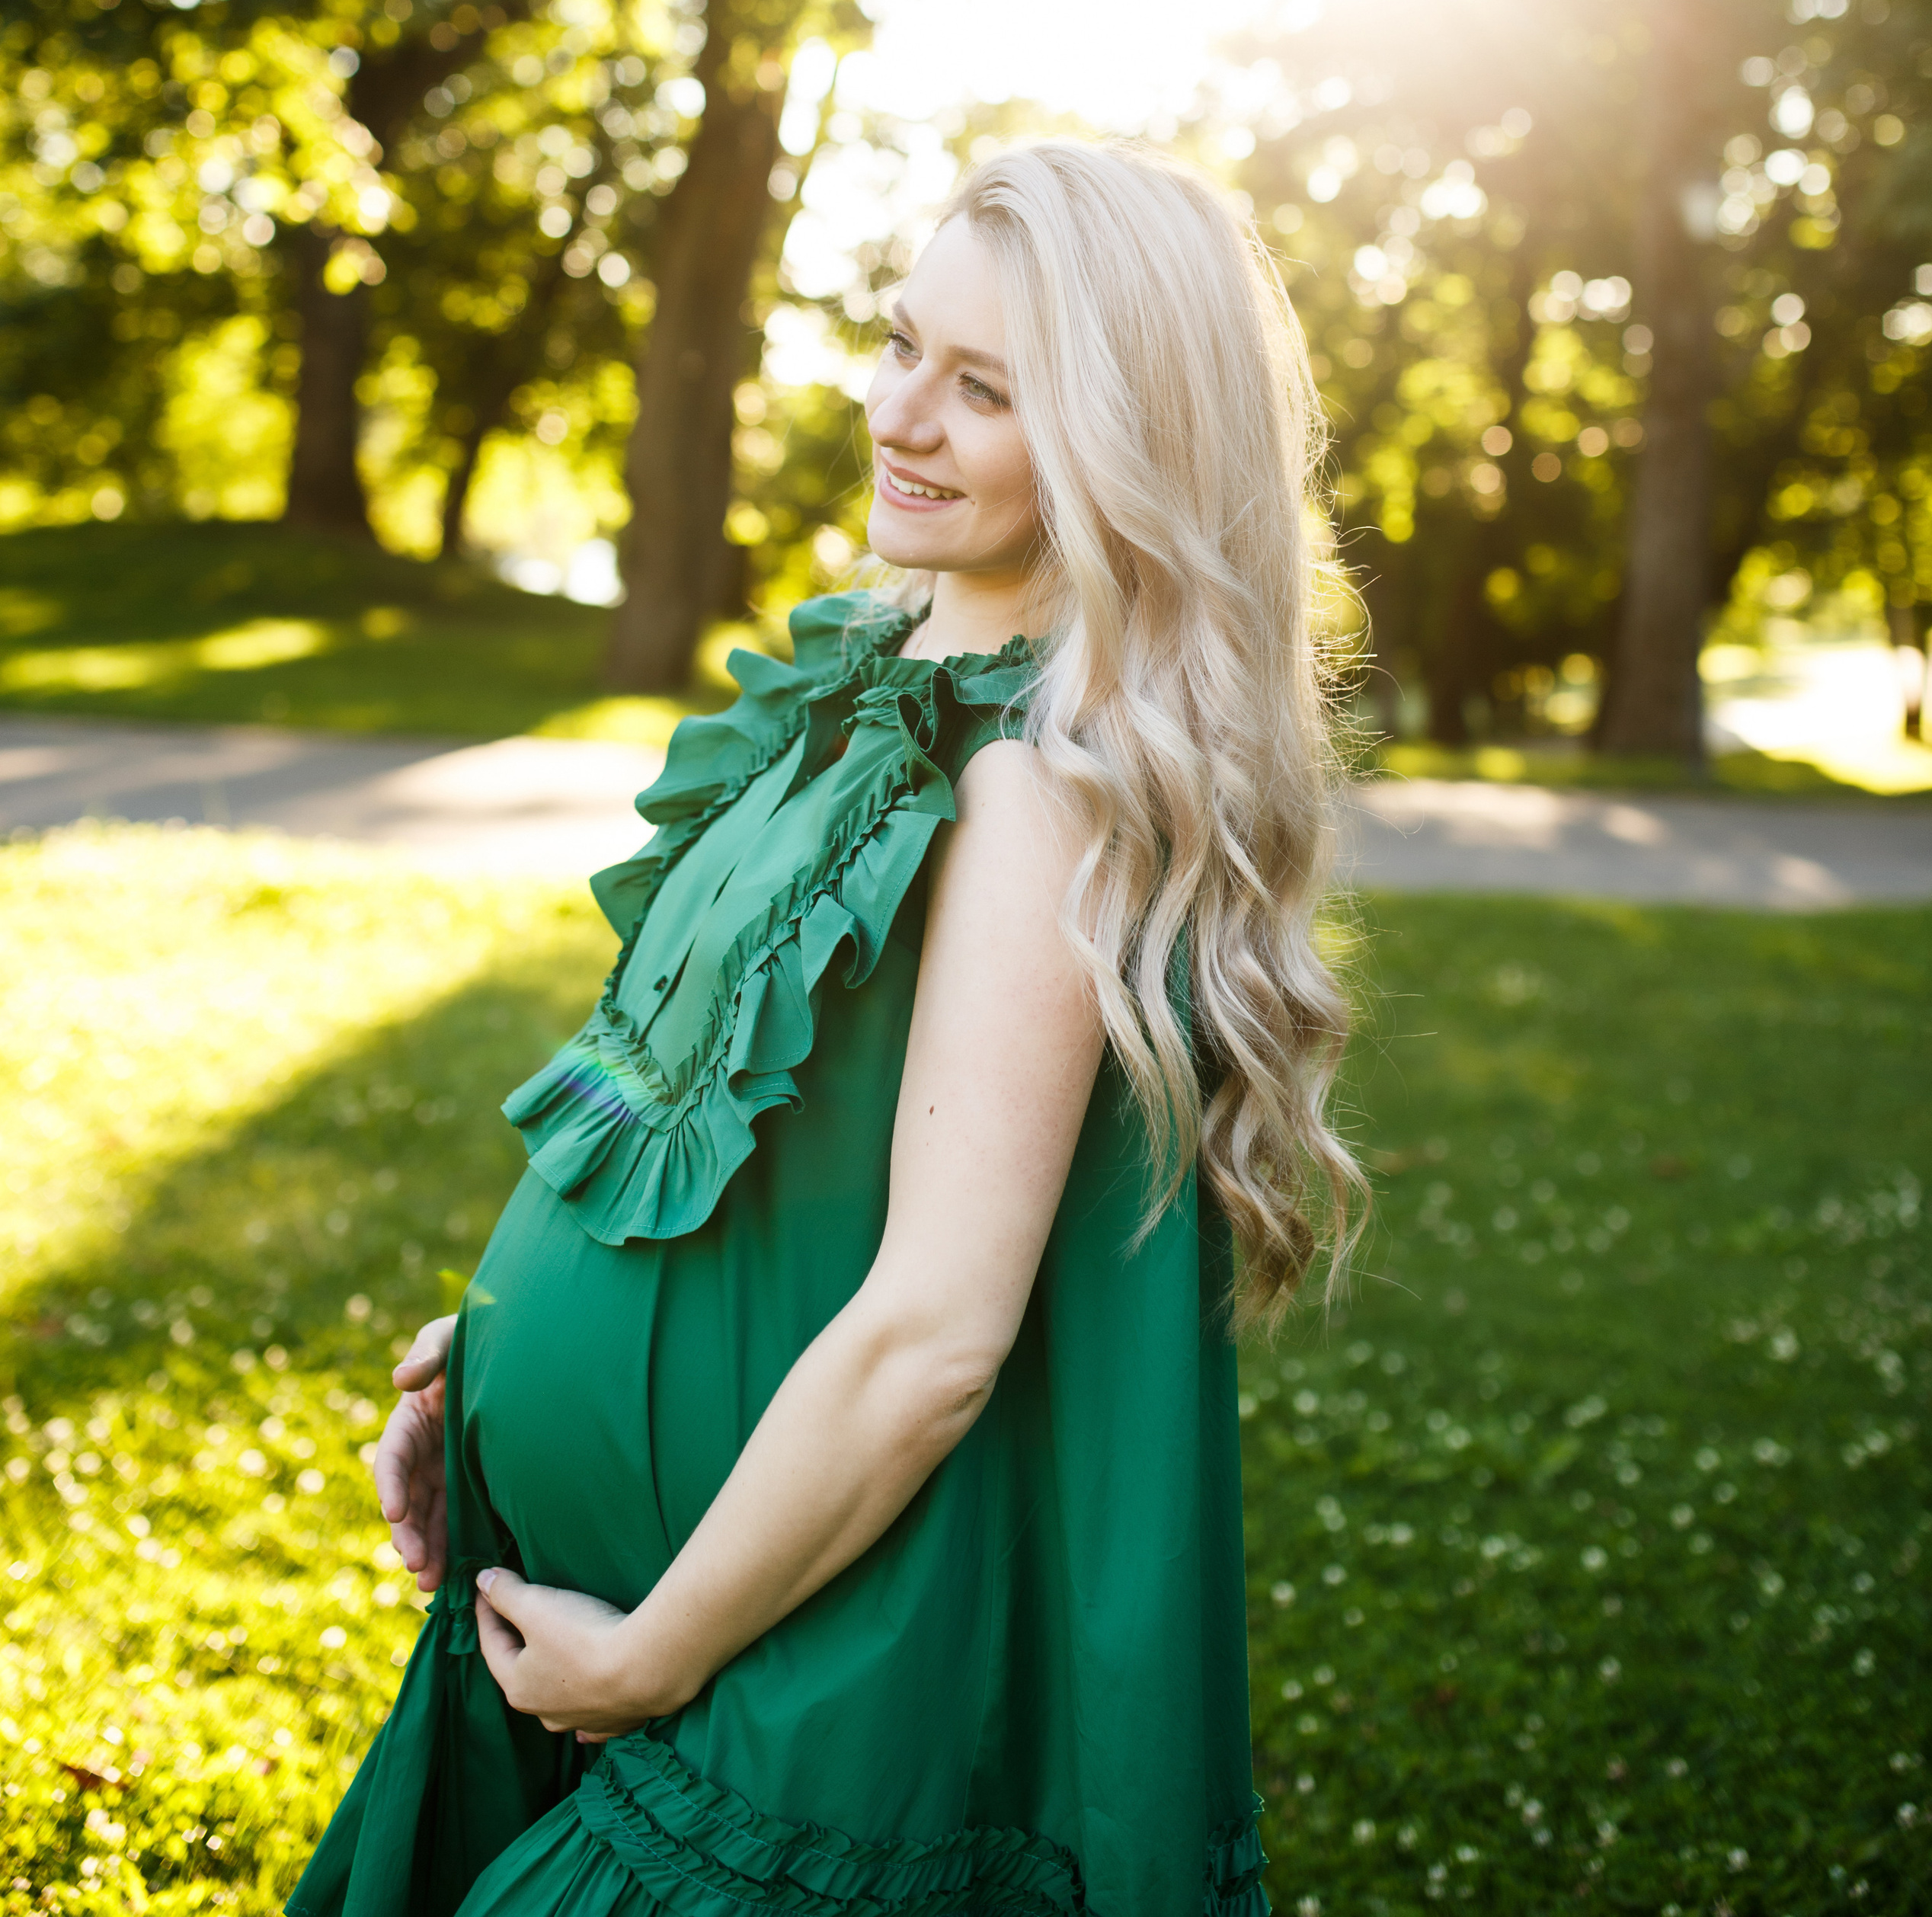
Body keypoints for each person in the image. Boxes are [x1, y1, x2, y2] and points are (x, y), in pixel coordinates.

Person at [289, 142, 1360, 1917]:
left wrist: (648, 1658)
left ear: (1121, 444)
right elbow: (759, 1153)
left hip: (781, 1683)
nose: (900, 416)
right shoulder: (865, 684)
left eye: (986, 389)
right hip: (606, 1622)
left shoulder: (1038, 789)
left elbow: (937, 1335)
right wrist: (487, 1360)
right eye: (899, 343)